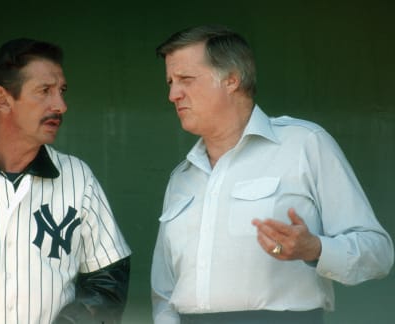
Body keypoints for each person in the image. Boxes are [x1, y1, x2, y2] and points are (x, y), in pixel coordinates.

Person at [150, 25, 394, 324]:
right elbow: (164, 291)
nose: (173, 94)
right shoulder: (181, 178)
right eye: (170, 82)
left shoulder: (304, 144)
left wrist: (316, 249)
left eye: (186, 79)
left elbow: (378, 252)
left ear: (231, 79)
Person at [0, 38, 131, 323]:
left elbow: (108, 281)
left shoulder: (78, 176)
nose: (61, 105)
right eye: (45, 91)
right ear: (2, 99)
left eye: (62, 91)